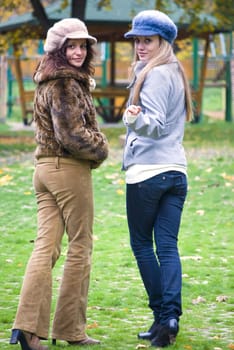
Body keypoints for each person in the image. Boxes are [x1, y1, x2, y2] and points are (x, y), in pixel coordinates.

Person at [9, 18, 108, 350]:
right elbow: (72, 135)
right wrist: (101, 149)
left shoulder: (46, 78)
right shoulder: (65, 82)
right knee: (81, 245)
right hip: (67, 169)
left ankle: (26, 329)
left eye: (83, 46)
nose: (78, 52)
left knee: (45, 248)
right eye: (71, 46)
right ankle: (70, 329)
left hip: (43, 169)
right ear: (58, 49)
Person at [122, 10, 193, 348]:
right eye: (137, 40)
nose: (140, 46)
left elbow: (155, 124)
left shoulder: (157, 74)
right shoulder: (176, 72)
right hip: (176, 173)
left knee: (142, 245)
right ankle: (167, 320)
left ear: (162, 42)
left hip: (148, 173)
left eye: (147, 40)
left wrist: (131, 119)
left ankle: (163, 315)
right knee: (167, 246)